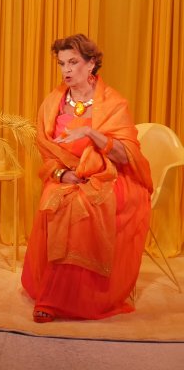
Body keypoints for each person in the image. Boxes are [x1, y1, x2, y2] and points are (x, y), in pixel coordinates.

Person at [21, 34, 153, 323]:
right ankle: (57, 291)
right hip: (68, 175)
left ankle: (66, 298)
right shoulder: (53, 101)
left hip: (111, 178)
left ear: (91, 64)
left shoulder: (114, 103)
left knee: (82, 206)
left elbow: (125, 155)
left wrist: (91, 133)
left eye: (74, 62)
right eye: (61, 63)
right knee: (56, 198)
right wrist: (62, 173)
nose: (66, 70)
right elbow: (46, 149)